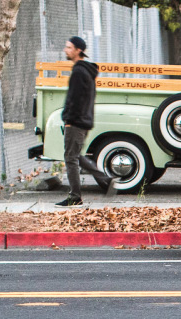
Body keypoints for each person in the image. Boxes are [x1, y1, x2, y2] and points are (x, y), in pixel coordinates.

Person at [56, 36, 115, 207]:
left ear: (78, 50)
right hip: (83, 120)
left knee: (70, 157)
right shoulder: (86, 71)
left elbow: (74, 100)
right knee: (75, 155)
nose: (66, 50)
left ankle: (75, 197)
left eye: (69, 47)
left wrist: (68, 119)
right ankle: (106, 180)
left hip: (75, 121)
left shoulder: (79, 72)